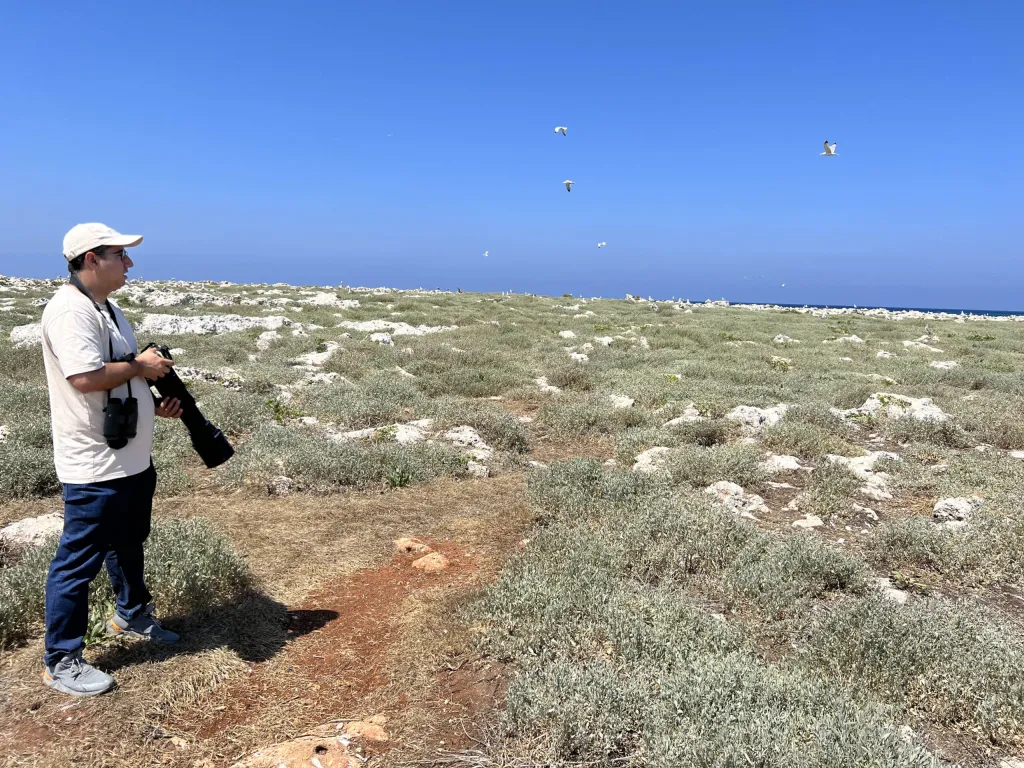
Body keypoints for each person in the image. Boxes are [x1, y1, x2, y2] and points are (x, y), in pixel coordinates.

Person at [39, 223, 183, 697]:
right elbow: (84, 377)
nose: (130, 263)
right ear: (91, 258)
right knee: (77, 561)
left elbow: (118, 374)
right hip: (94, 465)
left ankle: (131, 614)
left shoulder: (108, 308)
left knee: (129, 542)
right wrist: (142, 367)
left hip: (131, 459)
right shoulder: (69, 311)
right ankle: (61, 658)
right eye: (121, 254)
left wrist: (150, 396)